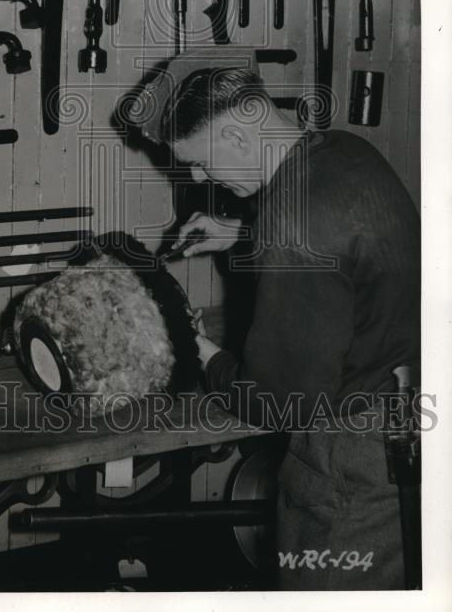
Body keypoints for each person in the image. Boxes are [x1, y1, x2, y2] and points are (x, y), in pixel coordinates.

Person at [140, 56, 420, 590]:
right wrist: (239, 235)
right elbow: (343, 249)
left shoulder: (289, 225)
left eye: (198, 161)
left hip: (354, 464)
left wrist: (201, 352)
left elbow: (278, 402)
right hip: (408, 418)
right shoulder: (344, 149)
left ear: (239, 137)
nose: (199, 177)